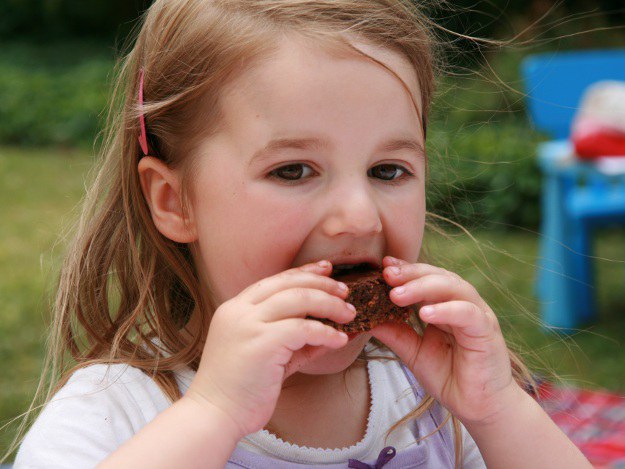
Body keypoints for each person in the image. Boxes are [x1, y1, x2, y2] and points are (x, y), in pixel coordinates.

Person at [13, 0, 590, 467]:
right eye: (293, 171)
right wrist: (215, 414)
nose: (360, 217)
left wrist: (501, 411)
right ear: (174, 200)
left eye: (388, 170)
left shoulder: (437, 407)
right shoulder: (114, 416)